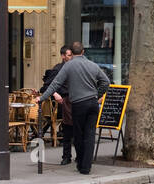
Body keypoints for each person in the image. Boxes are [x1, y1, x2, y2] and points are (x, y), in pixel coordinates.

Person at [39, 42, 110, 175]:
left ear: (72, 52)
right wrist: (97, 94)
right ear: (83, 51)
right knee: (89, 134)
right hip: (92, 103)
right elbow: (106, 82)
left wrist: (42, 98)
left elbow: (54, 84)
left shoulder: (68, 66)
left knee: (78, 135)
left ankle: (81, 163)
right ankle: (86, 167)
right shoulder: (92, 65)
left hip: (78, 104)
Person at [43, 45, 74, 164]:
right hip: (64, 102)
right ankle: (66, 156)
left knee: (77, 129)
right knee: (67, 129)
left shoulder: (75, 67)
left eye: (72, 55)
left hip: (76, 100)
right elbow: (46, 85)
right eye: (69, 55)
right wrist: (55, 94)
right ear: (62, 56)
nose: (71, 57)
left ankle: (78, 156)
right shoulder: (58, 69)